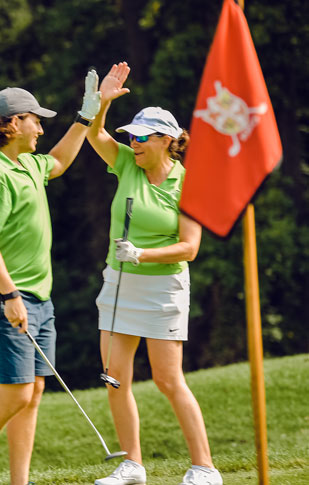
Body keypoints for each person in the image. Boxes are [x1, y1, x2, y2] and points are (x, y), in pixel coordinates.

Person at [0, 71, 101, 485]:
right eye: (35, 120)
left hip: (37, 296)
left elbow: (62, 160)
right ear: (14, 124)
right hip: (4, 297)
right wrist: (9, 294)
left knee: (31, 394)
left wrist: (87, 116)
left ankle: (20, 481)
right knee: (15, 392)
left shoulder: (27, 164)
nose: (41, 128)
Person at [86, 62, 222, 485]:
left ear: (167, 140)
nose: (134, 143)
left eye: (143, 137)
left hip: (163, 287)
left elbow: (190, 247)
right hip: (119, 284)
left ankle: (204, 467)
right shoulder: (126, 163)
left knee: (167, 379)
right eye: (131, 136)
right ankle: (132, 465)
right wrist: (103, 102)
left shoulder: (187, 183)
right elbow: (95, 135)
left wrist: (142, 254)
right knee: (115, 378)